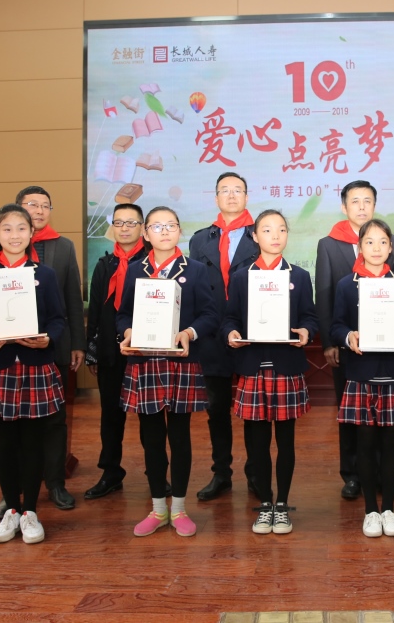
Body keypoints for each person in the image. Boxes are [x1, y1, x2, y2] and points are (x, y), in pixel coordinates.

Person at [0, 204, 66, 545]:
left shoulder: (44, 275)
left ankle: (30, 510)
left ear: (32, 233)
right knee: (4, 444)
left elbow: (58, 320)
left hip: (35, 365)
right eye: (7, 229)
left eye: (21, 228)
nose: (15, 235)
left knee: (33, 442)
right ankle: (12, 510)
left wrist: (48, 338)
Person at [0, 186, 84, 516]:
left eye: (45, 205)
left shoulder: (63, 247)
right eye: (31, 204)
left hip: (49, 349)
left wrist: (76, 343)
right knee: (9, 429)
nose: (38, 210)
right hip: (2, 355)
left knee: (53, 422)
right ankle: (14, 494)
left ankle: (55, 483)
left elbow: (71, 299)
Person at [116, 206, 219, 538]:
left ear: (180, 231)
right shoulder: (135, 270)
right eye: (156, 226)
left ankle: (179, 509)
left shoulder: (196, 270)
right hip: (145, 362)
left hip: (180, 363)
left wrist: (189, 332)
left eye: (171, 225)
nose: (164, 231)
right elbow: (123, 314)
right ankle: (158, 508)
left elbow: (210, 315)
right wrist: (127, 332)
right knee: (151, 439)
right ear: (146, 233)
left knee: (180, 436)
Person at [222, 210, 319, 535]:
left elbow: (310, 317)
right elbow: (230, 318)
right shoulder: (241, 277)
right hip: (252, 367)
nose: (275, 235)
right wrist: (230, 333)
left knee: (286, 442)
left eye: (281, 229)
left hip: (286, 367)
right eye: (267, 230)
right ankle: (265, 504)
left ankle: (283, 505)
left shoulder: (299, 276)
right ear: (254, 236)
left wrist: (306, 332)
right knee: (257, 444)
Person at [330, 219, 394, 538]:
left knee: (391, 441)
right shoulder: (347, 285)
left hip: (392, 372)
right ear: (359, 247)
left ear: (391, 247)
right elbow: (336, 325)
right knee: (365, 443)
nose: (376, 248)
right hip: (360, 371)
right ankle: (371, 509)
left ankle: (389, 510)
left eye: (383, 242)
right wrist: (348, 336)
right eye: (369, 242)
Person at [315, 180, 394, 500]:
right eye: (355, 201)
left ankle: (383, 476)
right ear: (344, 206)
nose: (362, 206)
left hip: (388, 348)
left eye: (368, 200)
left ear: (375, 205)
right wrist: (330, 342)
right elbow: (324, 294)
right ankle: (352, 474)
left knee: (385, 416)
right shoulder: (329, 244)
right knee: (350, 412)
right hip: (349, 346)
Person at [84, 204, 168, 500]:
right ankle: (111, 472)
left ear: (143, 228)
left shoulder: (155, 261)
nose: (124, 228)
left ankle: (156, 474)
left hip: (146, 351)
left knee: (151, 416)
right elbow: (95, 311)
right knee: (111, 415)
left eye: (131, 223)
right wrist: (92, 351)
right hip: (110, 350)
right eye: (118, 222)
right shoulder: (104, 264)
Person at [189, 172, 260, 502]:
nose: (232, 195)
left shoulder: (261, 234)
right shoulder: (200, 239)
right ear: (216, 197)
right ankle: (221, 473)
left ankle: (256, 474)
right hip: (211, 335)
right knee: (216, 409)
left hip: (252, 333)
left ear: (247, 197)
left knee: (253, 409)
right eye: (225, 191)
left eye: (238, 190)